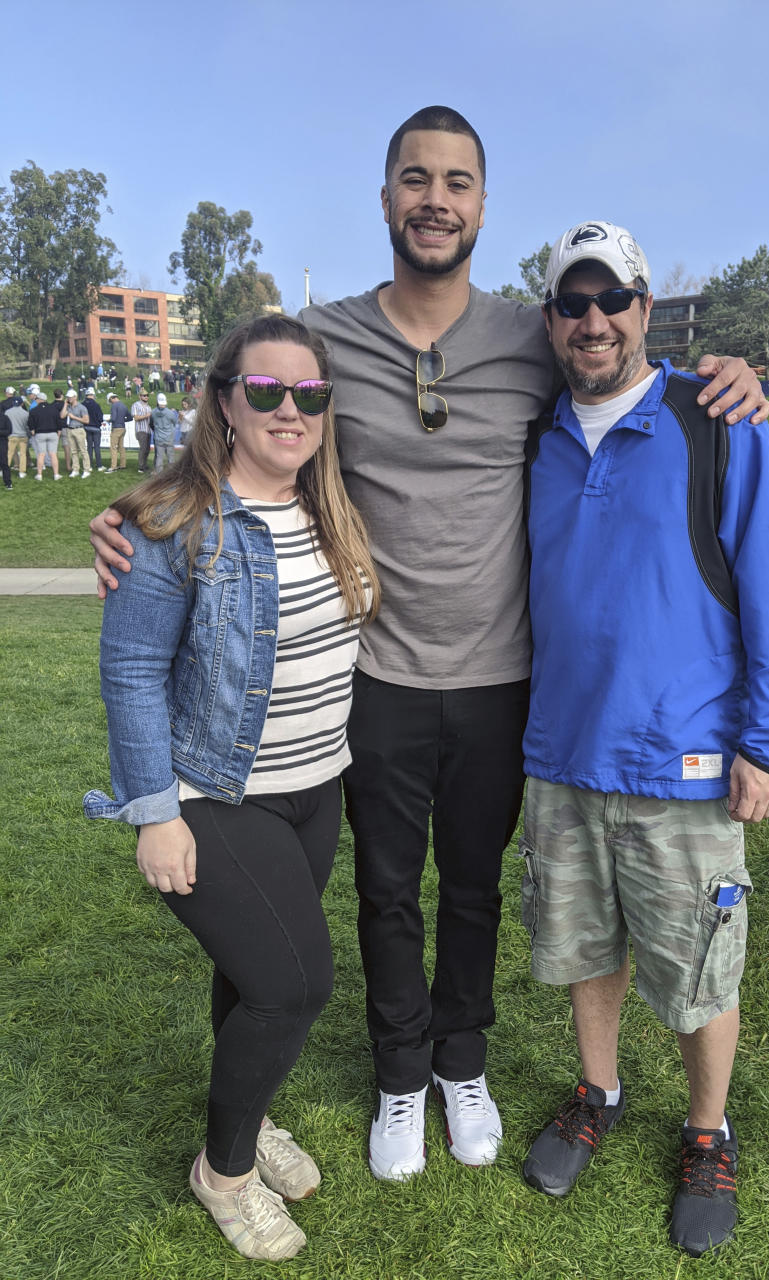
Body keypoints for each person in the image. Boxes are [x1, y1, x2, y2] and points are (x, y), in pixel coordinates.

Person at [89, 106, 769, 1184]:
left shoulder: (526, 336)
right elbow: (241, 428)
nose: (436, 200)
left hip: (505, 679)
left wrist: (721, 375)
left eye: (458, 181)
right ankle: (402, 1074)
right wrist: (137, 514)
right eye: (417, 178)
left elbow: (621, 371)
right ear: (387, 197)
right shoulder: (332, 339)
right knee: (387, 888)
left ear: (483, 204)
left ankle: (464, 1060)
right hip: (380, 674)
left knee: (476, 888)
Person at [517, 222, 769, 1257]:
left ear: (648, 311)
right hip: (564, 749)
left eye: (615, 299)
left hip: (686, 758)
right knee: (585, 944)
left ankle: (708, 1127)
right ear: (553, 319)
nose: (594, 320)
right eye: (574, 301)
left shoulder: (717, 420)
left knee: (701, 964)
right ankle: (597, 1089)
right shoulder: (541, 433)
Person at [82, 313, 380, 1261]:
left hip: (316, 786)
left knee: (249, 975)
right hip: (216, 792)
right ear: (224, 400)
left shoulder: (331, 506)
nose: (290, 410)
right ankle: (226, 1173)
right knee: (295, 986)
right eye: (265, 391)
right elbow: (130, 669)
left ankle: (246, 1123)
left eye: (310, 395)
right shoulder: (174, 521)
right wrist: (156, 814)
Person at [28, 392, 63, 480]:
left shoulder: (34, 410)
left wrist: (33, 431)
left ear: (39, 399)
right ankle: (56, 475)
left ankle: (39, 475)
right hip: (53, 433)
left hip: (40, 434)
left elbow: (30, 424)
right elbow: (59, 421)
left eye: (36, 399)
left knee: (41, 454)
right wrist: (59, 431)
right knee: (53, 454)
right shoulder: (54, 409)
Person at [61, 389, 91, 477]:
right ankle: (75, 469)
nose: (69, 398)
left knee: (83, 451)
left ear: (75, 397)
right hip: (70, 430)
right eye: (68, 397)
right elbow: (62, 415)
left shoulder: (82, 407)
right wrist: (65, 404)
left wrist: (74, 417)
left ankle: (86, 470)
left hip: (79, 429)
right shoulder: (68, 407)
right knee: (73, 451)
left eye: (70, 397)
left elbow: (86, 420)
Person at [2, 388, 29, 479]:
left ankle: (4, 470)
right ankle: (21, 472)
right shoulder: (26, 413)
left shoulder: (7, 412)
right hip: (23, 436)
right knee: (22, 454)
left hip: (12, 436)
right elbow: (27, 426)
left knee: (8, 453)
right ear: (21, 403)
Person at [150, 392, 178, 471]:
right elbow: (175, 422)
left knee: (159, 457)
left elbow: (151, 423)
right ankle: (171, 474)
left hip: (158, 438)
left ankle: (159, 474)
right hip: (169, 438)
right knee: (170, 457)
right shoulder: (170, 413)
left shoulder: (153, 412)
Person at [82, 387, 106, 471]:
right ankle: (99, 466)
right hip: (95, 427)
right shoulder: (96, 405)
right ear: (93, 395)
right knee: (97, 447)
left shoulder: (82, 404)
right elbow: (100, 417)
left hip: (86, 427)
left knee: (89, 447)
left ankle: (89, 466)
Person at [106, 393, 130, 471]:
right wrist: (123, 420)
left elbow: (113, 418)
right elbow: (130, 418)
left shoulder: (114, 405)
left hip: (116, 428)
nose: (111, 403)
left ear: (112, 399)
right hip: (123, 428)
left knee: (113, 448)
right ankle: (123, 465)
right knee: (121, 448)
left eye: (110, 401)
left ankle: (113, 467)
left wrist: (108, 420)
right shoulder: (124, 405)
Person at [132, 390, 152, 471]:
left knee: (147, 449)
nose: (146, 397)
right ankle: (140, 467)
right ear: (140, 396)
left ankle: (144, 465)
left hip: (148, 430)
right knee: (143, 448)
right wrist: (146, 415)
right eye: (144, 395)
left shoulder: (149, 407)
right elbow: (136, 418)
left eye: (147, 395)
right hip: (140, 430)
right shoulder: (136, 405)